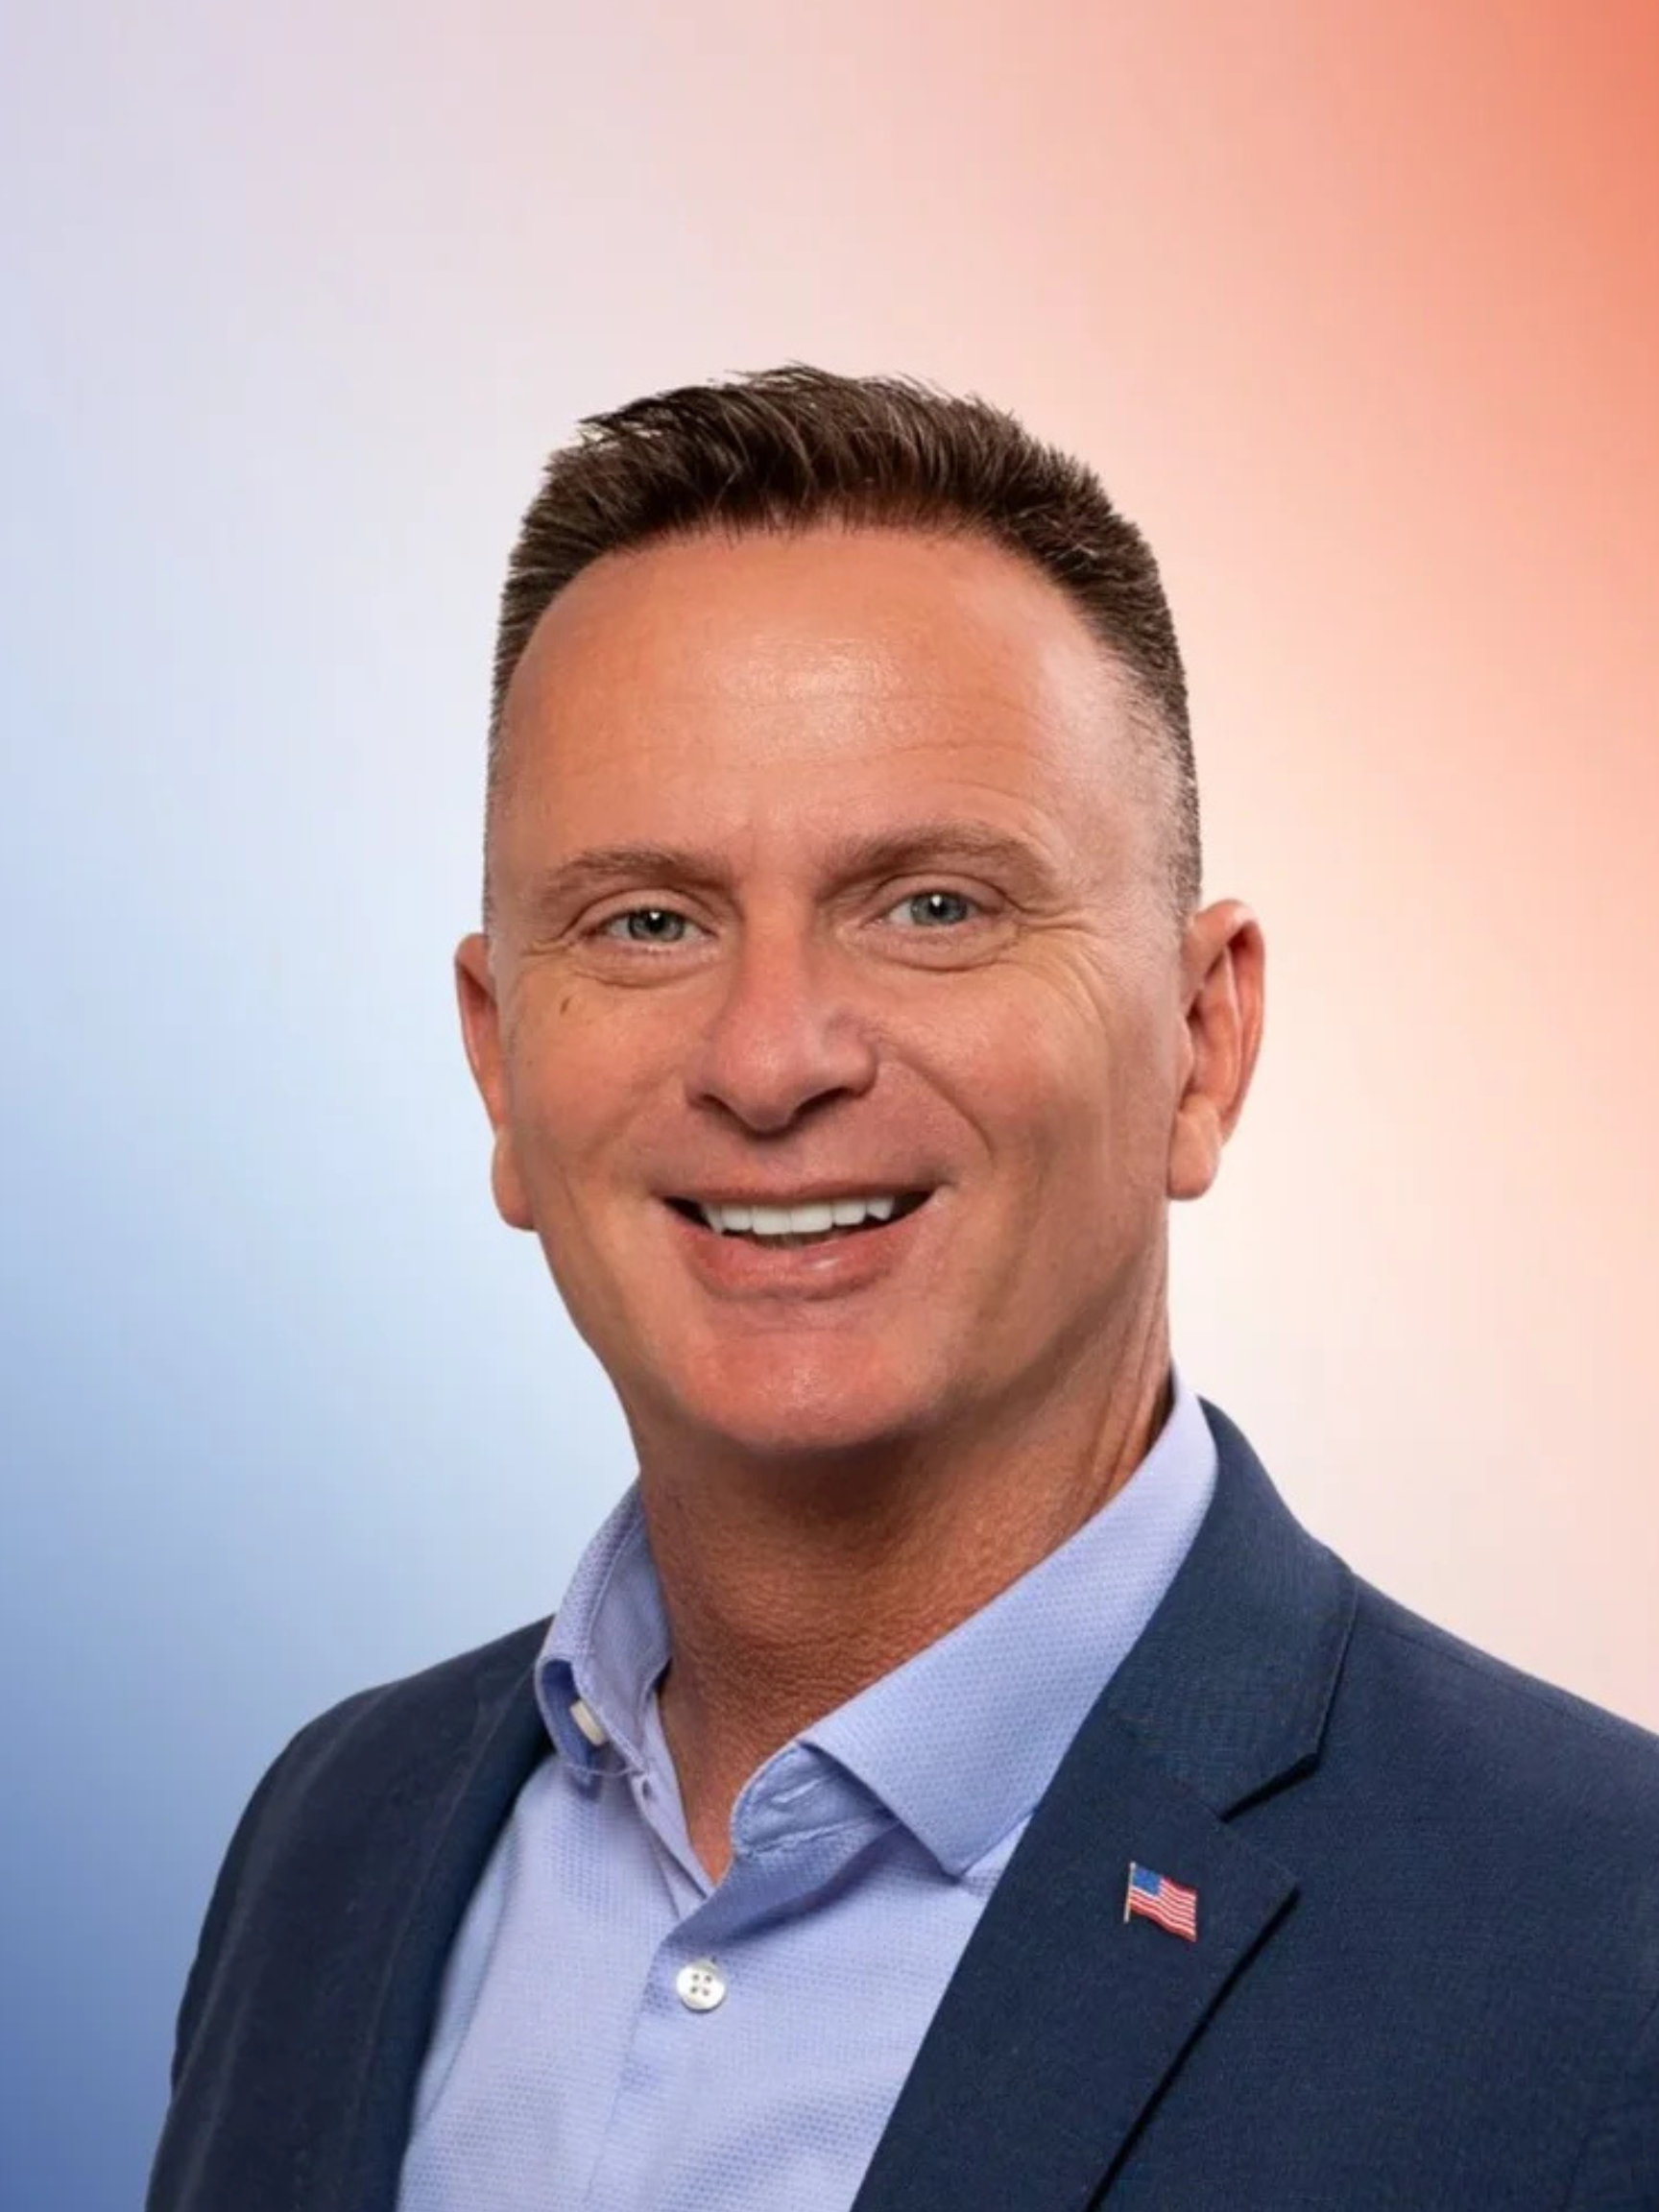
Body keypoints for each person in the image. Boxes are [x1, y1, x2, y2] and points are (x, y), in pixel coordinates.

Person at [146, 367, 1659, 2212]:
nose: (772, 1055)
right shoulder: (339, 1844)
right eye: (648, 922)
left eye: (932, 905)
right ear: (498, 1070)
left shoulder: (1600, 1947)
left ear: (1201, 1041)